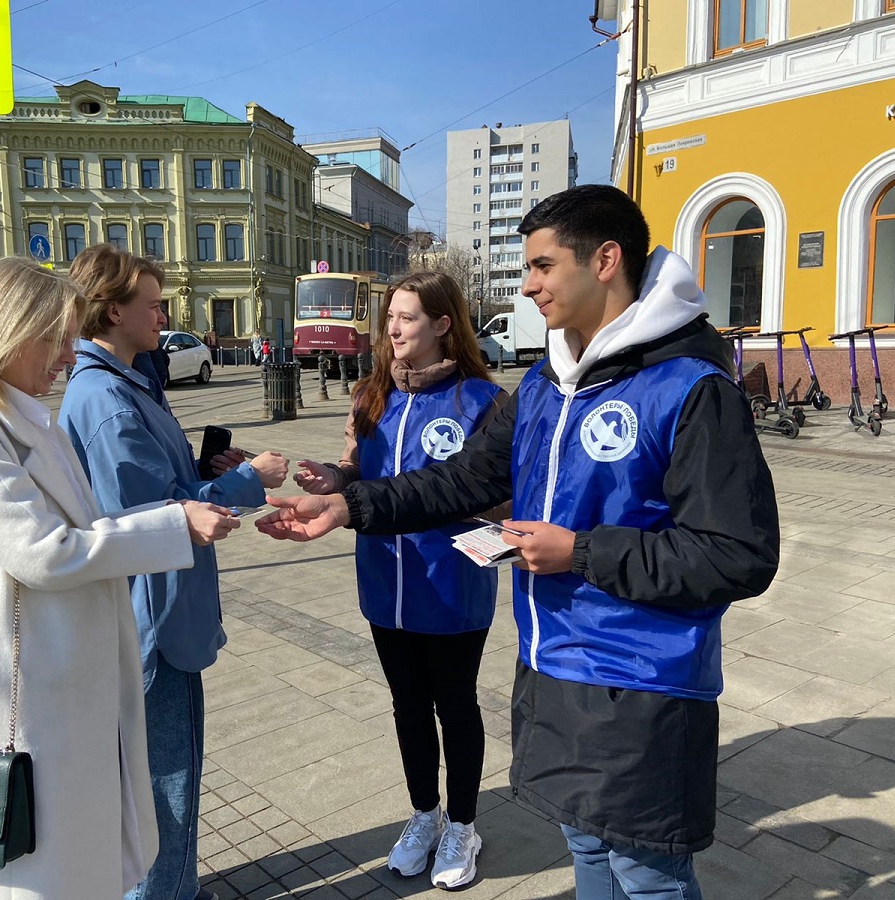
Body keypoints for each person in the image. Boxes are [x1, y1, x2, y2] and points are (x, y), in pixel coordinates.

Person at [255, 184, 780, 899]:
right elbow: (460, 481)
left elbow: (737, 553)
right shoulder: (543, 384)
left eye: (540, 265)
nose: (526, 285)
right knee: (588, 853)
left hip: (642, 682)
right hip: (552, 662)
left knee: (645, 874)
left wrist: (582, 552)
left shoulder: (689, 387)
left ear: (605, 260)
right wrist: (350, 507)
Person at [0, 256, 239, 900]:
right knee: (35, 867)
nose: (65, 353)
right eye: (53, 336)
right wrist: (176, 525)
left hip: (68, 678)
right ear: (6, 332)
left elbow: (86, 531)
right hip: (24, 690)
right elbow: (45, 551)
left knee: (82, 852)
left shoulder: (29, 419)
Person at [58, 245, 290, 900]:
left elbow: (165, 494)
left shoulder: (127, 383)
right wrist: (248, 480)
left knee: (168, 781)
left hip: (162, 618)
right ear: (112, 310)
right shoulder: (107, 401)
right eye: (153, 305)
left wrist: (206, 471)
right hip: (151, 628)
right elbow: (148, 524)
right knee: (165, 789)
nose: (164, 316)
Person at [293, 271, 506, 889]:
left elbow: (500, 493)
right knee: (409, 708)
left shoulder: (482, 403)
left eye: (407, 318)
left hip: (454, 587)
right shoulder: (369, 396)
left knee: (455, 707)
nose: (392, 328)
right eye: (390, 317)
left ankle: (464, 825)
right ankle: (423, 816)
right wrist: (332, 481)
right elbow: (358, 475)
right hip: (385, 584)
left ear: (443, 325)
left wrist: (482, 515)